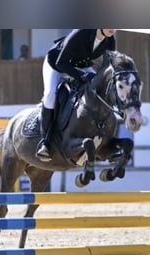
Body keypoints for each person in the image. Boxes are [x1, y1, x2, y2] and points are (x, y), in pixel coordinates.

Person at [36, 29, 117, 162]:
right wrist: (82, 75)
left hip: (81, 66)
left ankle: (107, 145)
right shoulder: (81, 33)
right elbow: (60, 63)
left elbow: (110, 65)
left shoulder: (110, 40)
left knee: (98, 89)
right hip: (56, 65)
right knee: (50, 94)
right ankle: (46, 142)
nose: (112, 29)